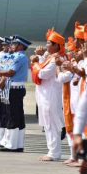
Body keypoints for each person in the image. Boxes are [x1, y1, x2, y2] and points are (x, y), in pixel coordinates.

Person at [31, 28, 66, 161]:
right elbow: (41, 67)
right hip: (45, 95)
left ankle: (54, 152)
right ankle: (51, 151)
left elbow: (42, 73)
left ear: (56, 45)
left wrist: (35, 63)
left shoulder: (56, 59)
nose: (46, 46)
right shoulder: (50, 57)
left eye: (48, 43)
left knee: (52, 124)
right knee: (47, 124)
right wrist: (38, 59)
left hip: (51, 96)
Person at [0, 35, 30, 152]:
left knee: (13, 116)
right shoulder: (15, 56)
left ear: (20, 46)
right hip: (12, 88)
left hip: (14, 88)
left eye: (14, 44)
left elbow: (10, 72)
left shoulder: (19, 57)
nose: (11, 46)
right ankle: (16, 143)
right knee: (15, 116)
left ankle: (12, 144)